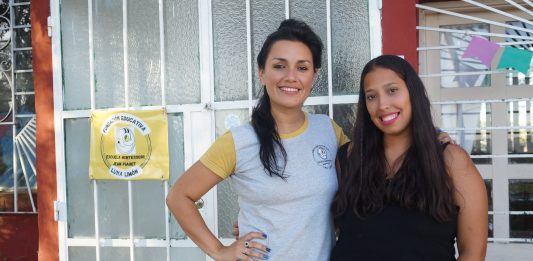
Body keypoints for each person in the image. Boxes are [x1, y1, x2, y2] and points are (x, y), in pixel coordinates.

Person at [166, 19, 350, 261]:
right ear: (261, 72)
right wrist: (219, 251)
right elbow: (179, 197)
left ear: (314, 77)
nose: (291, 77)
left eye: (302, 68)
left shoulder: (327, 130)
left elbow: (356, 191)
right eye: (279, 66)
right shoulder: (239, 141)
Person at [330, 55, 488, 261]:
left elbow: (473, 253)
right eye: (371, 96)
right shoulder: (348, 157)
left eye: (392, 90)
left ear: (412, 93)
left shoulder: (451, 161)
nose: (382, 104)